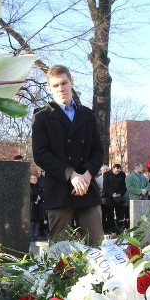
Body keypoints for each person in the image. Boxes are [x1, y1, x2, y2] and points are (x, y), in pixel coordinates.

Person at [32, 65, 104, 246]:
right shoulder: (42, 117)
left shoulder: (87, 115)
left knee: (96, 248)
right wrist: (71, 175)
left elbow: (98, 150)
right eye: (55, 85)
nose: (61, 88)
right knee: (59, 253)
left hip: (87, 191)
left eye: (64, 83)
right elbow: (40, 154)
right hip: (59, 192)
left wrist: (86, 176)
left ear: (71, 83)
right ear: (50, 88)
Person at [103, 163, 128, 233]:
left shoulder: (122, 174)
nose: (118, 172)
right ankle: (111, 230)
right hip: (110, 197)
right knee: (110, 215)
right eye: (116, 171)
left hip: (119, 198)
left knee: (120, 215)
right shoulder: (107, 174)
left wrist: (120, 194)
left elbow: (124, 186)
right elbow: (105, 186)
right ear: (113, 169)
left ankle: (119, 230)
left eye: (119, 171)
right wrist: (112, 193)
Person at [30, 174, 44, 239]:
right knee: (30, 221)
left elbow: (43, 193)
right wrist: (36, 197)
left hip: (39, 205)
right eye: (32, 179)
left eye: (35, 179)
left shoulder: (39, 186)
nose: (33, 180)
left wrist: (40, 196)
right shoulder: (28, 186)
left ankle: (35, 235)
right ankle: (30, 235)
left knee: (37, 221)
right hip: (31, 205)